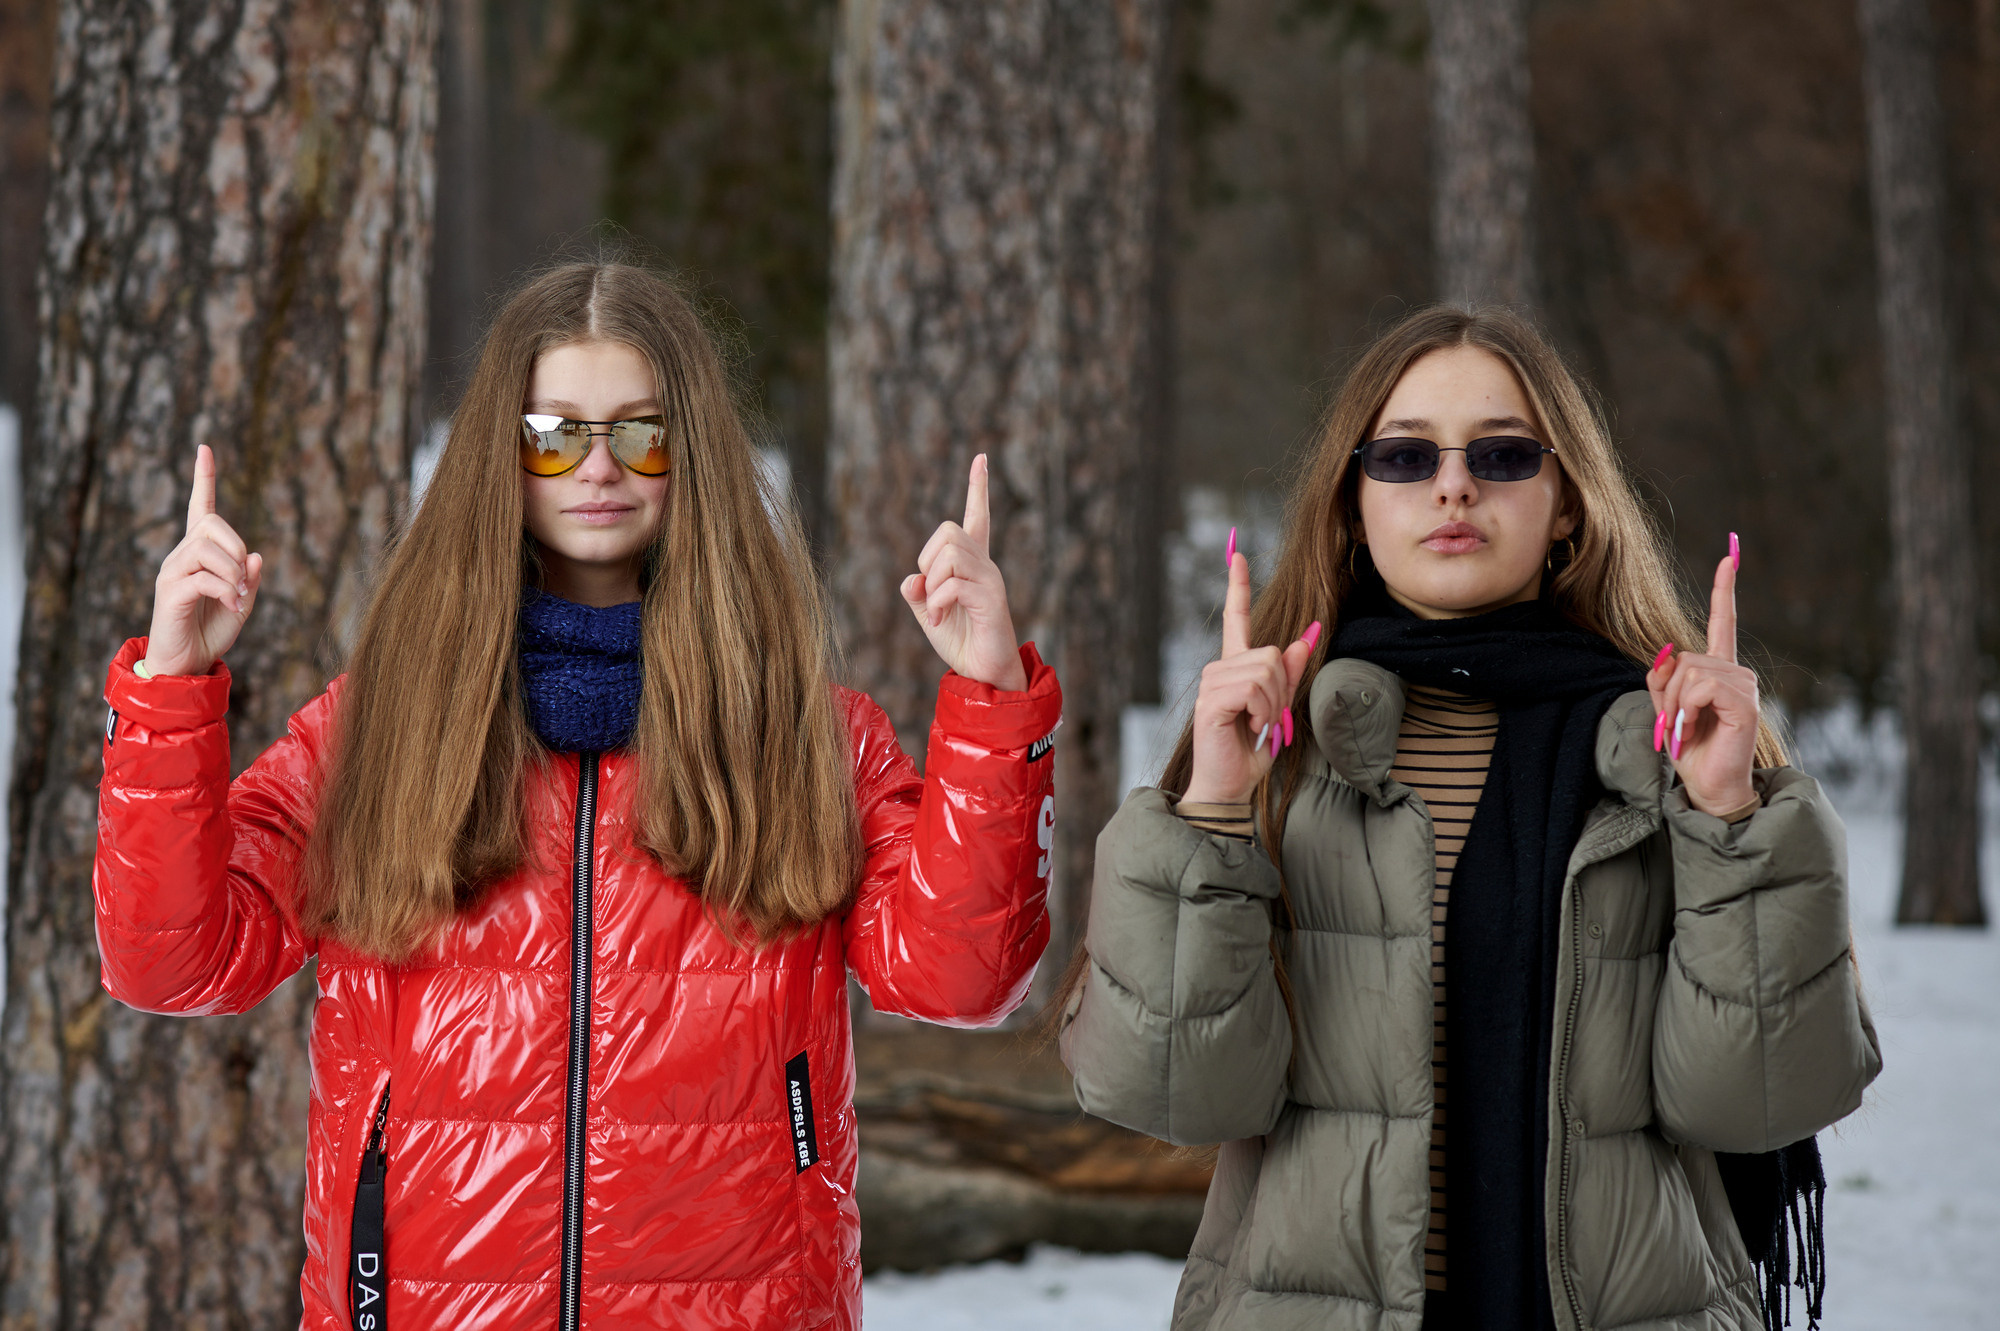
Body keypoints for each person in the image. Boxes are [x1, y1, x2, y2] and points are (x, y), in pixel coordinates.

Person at [94, 262, 1062, 1331]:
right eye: (554, 434)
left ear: (687, 453)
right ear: (499, 457)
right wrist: (169, 694)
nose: (596, 469)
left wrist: (988, 701)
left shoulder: (803, 731)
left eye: (640, 434)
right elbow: (172, 959)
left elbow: (961, 978)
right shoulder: (380, 725)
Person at [1057, 306, 1880, 1331]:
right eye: (1404, 457)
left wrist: (1724, 816)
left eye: (1499, 453)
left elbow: (1760, 1095)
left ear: (1566, 503)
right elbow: (1176, 1093)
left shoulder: (1674, 744)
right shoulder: (1274, 753)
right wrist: (1214, 807)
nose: (1452, 485)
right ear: (1352, 504)